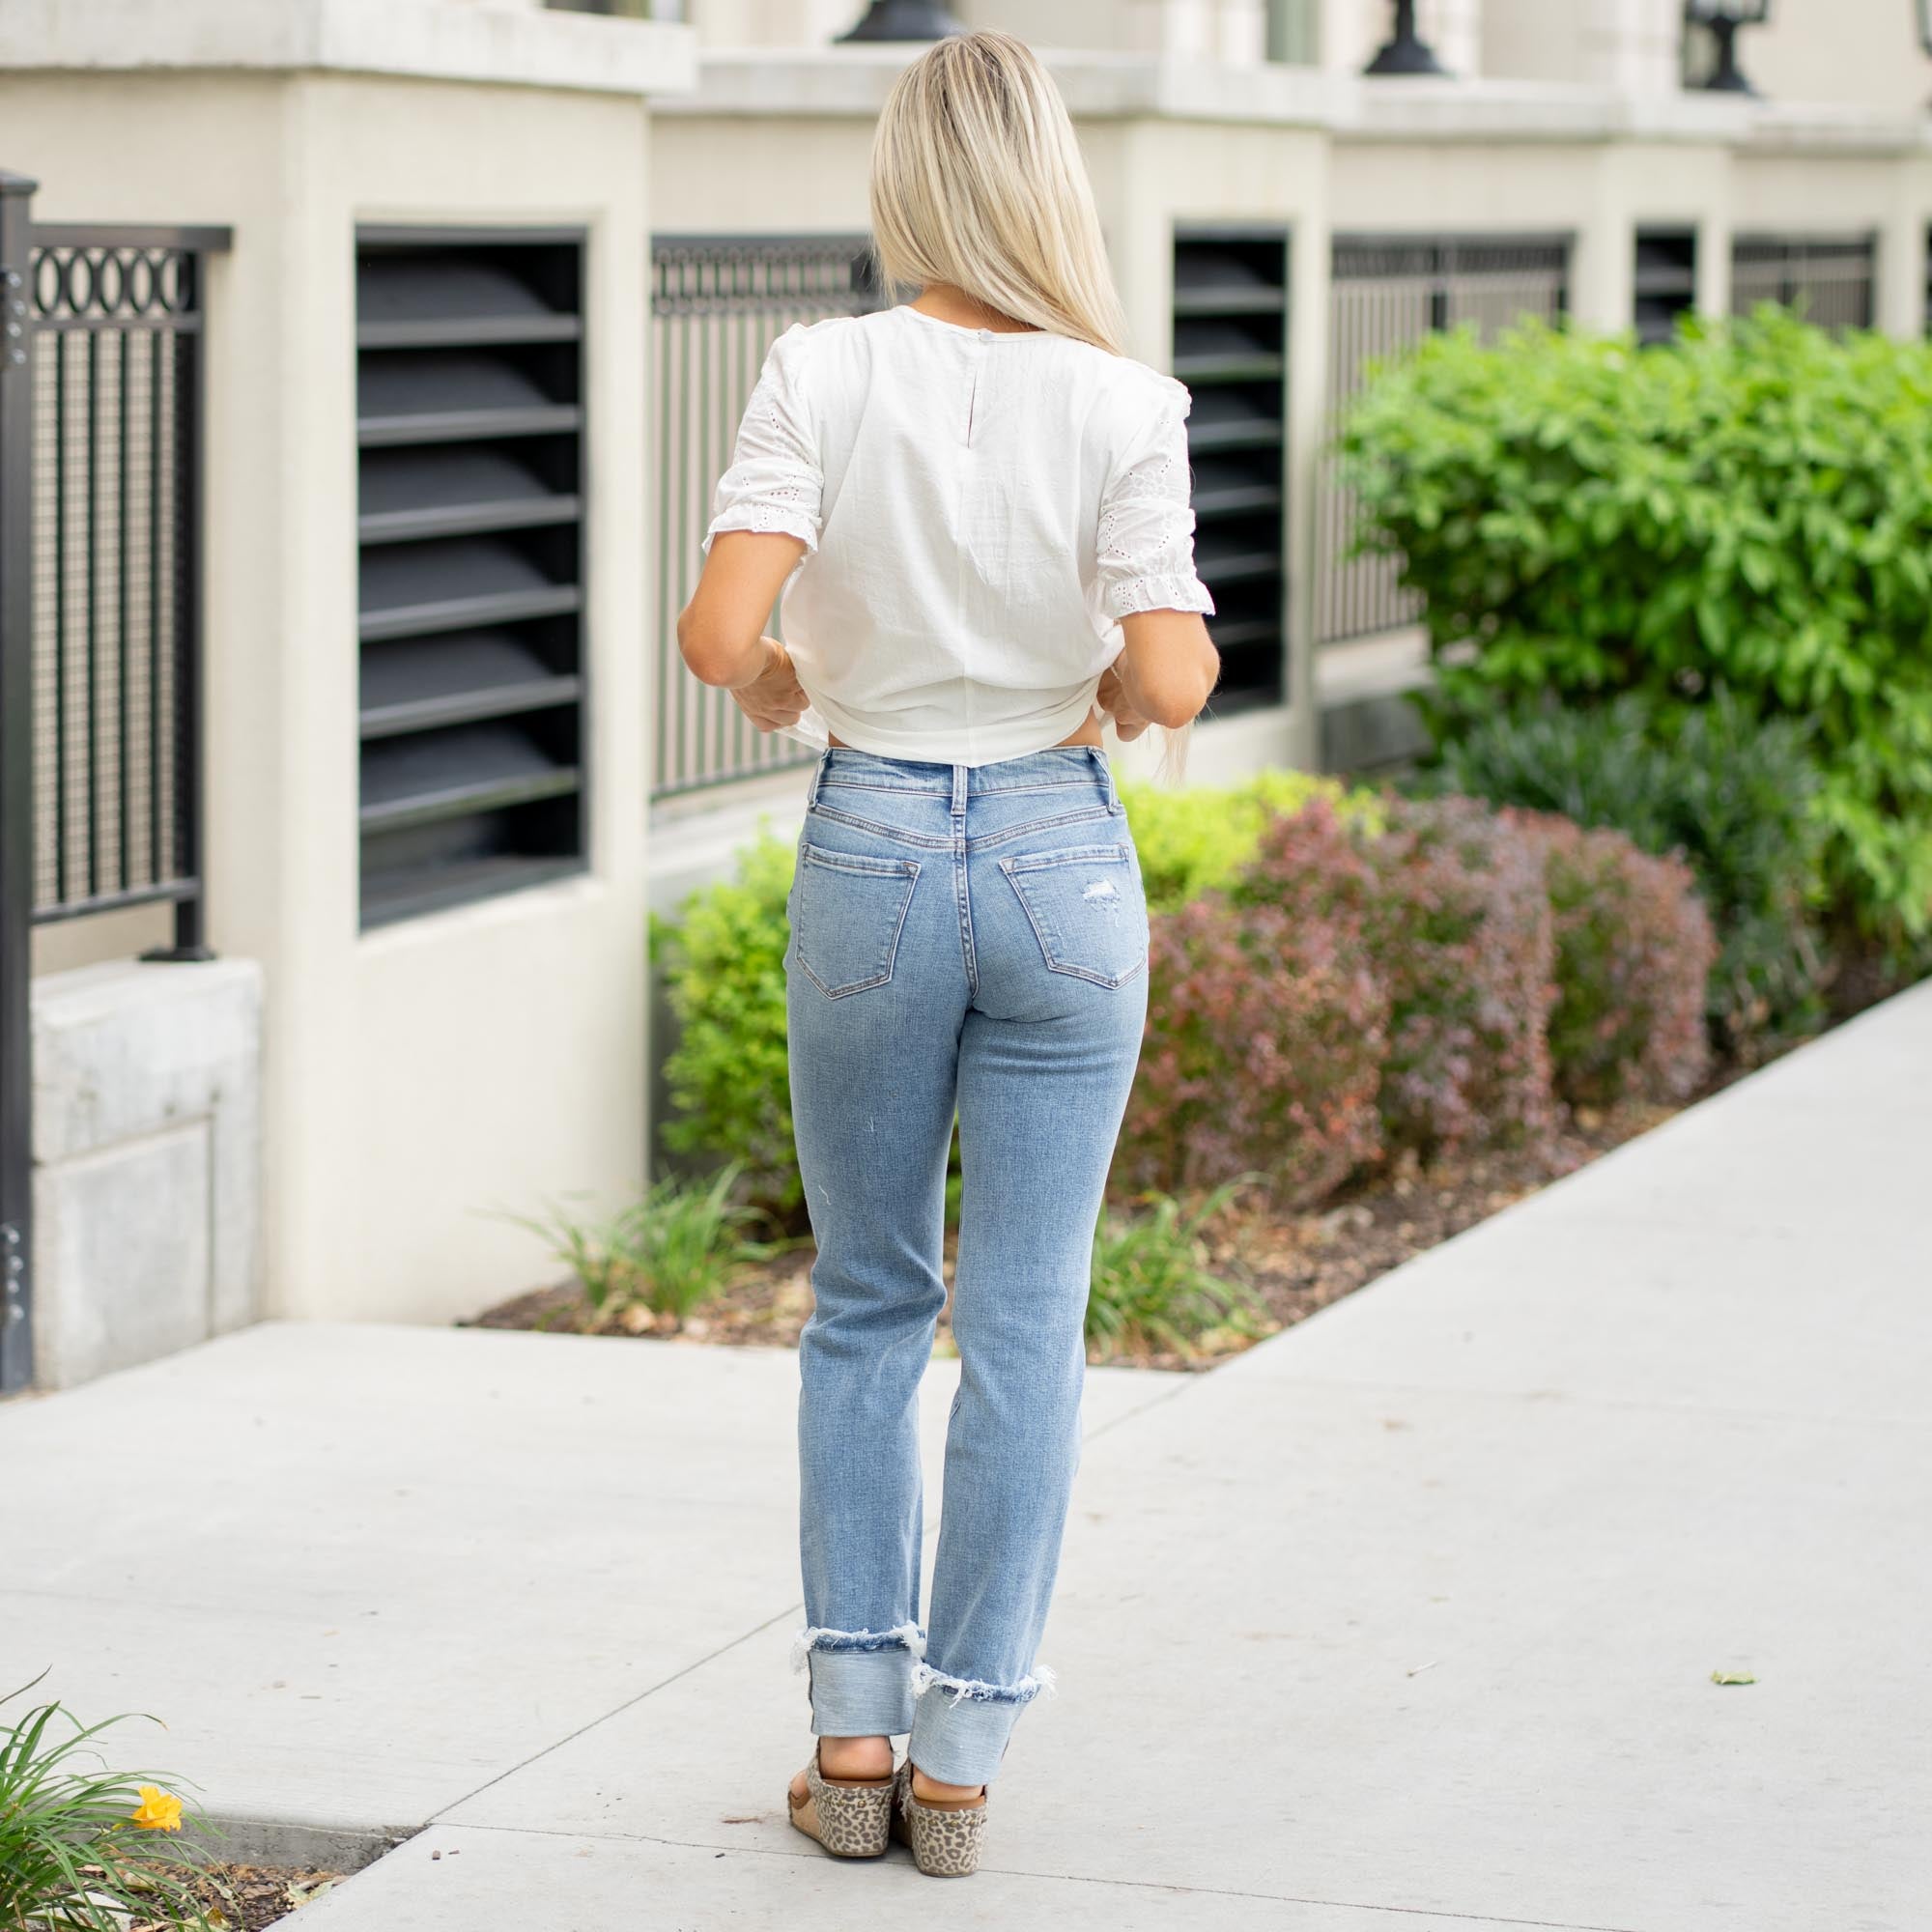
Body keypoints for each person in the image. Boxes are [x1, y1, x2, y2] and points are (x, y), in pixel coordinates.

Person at [675, 27, 1220, 1881]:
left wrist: (783, 678)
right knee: (1027, 1320)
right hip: (1063, 858)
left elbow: (718, 636)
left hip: (876, 848)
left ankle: (851, 1745)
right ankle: (964, 1763)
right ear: (1051, 182)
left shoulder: (819, 370)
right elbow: (1169, 678)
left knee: (866, 1300)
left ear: (906, 181)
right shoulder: (1125, 400)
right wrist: (1117, 685)